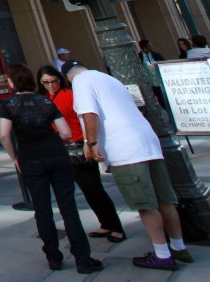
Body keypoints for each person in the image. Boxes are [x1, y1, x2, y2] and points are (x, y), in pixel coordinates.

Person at [66, 59, 192, 270]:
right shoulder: (110, 79)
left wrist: (91, 141)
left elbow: (89, 113)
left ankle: (162, 254)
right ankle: (179, 247)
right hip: (147, 142)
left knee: (145, 204)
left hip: (125, 148)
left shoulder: (80, 82)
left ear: (69, 77)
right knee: (164, 200)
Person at [0, 63, 102, 274]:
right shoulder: (45, 101)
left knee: (42, 209)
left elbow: (4, 135)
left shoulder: (10, 105)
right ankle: (82, 258)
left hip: (30, 158)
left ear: (13, 82)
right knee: (68, 207)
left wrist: (15, 157)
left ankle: (53, 257)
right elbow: (64, 131)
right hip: (56, 154)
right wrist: (51, 140)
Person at [37, 64, 124, 242]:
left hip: (80, 144)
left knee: (94, 187)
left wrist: (88, 141)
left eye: (53, 81)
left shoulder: (70, 95)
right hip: (63, 148)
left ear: (60, 79)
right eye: (46, 82)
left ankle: (116, 227)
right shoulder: (45, 98)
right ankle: (105, 224)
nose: (51, 85)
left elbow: (85, 117)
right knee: (86, 189)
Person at [137, 40, 170, 112]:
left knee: (163, 99)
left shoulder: (156, 55)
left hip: (159, 81)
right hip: (149, 82)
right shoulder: (139, 57)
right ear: (144, 47)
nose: (151, 47)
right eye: (149, 45)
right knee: (152, 100)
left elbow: (164, 64)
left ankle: (169, 113)